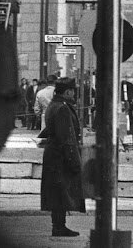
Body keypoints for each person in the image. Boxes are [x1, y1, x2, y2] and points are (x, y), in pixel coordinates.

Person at [40, 77, 85, 237]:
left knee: (58, 192)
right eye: (73, 91)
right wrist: (74, 161)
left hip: (54, 154)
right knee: (61, 191)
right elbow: (67, 137)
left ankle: (59, 225)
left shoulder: (54, 105)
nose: (74, 94)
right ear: (67, 92)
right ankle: (59, 227)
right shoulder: (63, 108)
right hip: (61, 157)